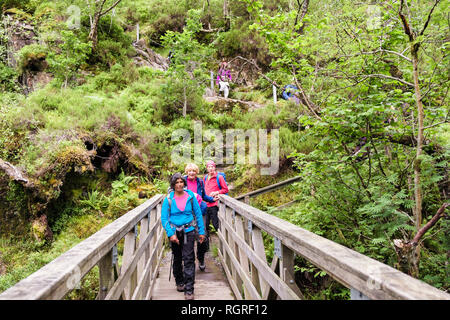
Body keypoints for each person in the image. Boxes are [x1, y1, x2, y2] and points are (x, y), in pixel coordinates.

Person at [161, 173, 206, 300]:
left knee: (189, 259)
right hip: (175, 232)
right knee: (177, 258)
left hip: (189, 231)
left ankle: (189, 289)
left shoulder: (191, 196)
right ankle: (179, 281)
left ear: (184, 183)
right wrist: (170, 234)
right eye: (177, 182)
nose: (179, 184)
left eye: (181, 182)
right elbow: (164, 218)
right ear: (173, 184)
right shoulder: (168, 199)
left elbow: (198, 215)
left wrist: (201, 232)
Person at [184, 163, 217, 271]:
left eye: (193, 171)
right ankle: (188, 261)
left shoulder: (200, 182)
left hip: (200, 211)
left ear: (196, 172)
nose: (191, 173)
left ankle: (201, 258)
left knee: (202, 235)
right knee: (186, 236)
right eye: (189, 171)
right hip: (186, 212)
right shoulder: (182, 181)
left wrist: (213, 199)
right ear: (187, 172)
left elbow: (203, 196)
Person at [203, 160, 229, 237]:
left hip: (214, 204)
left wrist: (217, 192)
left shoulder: (219, 177)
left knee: (216, 224)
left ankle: (223, 240)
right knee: (205, 225)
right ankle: (206, 246)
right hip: (206, 204)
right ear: (207, 168)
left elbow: (225, 189)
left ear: (215, 168)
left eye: (212, 167)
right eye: (209, 167)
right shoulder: (205, 178)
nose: (210, 168)